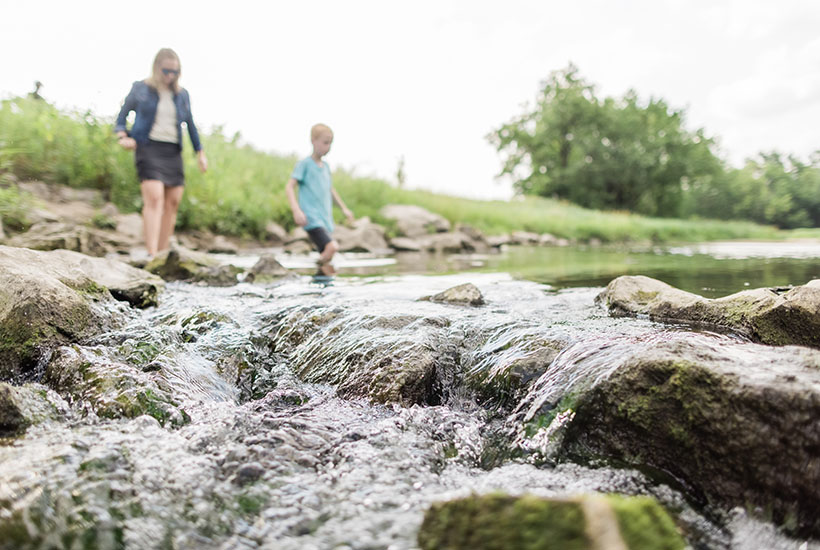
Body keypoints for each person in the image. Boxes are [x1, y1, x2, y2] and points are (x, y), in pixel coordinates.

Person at [114, 47, 208, 258]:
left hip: (172, 150)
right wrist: (123, 136)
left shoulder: (182, 95)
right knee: (154, 198)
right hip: (147, 146)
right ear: (157, 68)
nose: (170, 76)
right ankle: (151, 253)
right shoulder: (141, 88)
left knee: (172, 201)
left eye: (174, 72)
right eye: (166, 71)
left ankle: (163, 254)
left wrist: (200, 152)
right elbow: (122, 116)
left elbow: (190, 125)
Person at [285, 124, 354, 276]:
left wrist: (344, 208)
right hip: (311, 218)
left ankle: (320, 288)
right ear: (313, 141)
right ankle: (310, 271)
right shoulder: (304, 165)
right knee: (332, 248)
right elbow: (289, 187)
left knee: (328, 258)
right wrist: (296, 210)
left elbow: (330, 190)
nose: (328, 147)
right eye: (325, 142)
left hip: (324, 219)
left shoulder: (326, 167)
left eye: (330, 143)